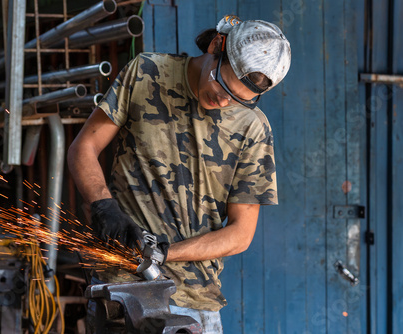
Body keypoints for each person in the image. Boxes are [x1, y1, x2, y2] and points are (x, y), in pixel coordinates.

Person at [67, 15, 291, 334]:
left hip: (196, 301)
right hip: (121, 290)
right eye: (222, 84)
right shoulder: (146, 73)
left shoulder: (253, 128)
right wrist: (105, 208)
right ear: (217, 45)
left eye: (239, 99)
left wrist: (164, 252)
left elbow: (241, 233)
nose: (224, 100)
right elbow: (83, 148)